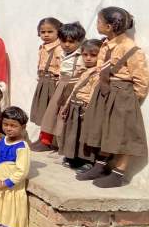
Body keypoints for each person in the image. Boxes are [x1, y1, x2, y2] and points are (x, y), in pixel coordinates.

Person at [78, 7, 148, 188]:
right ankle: (100, 165)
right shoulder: (106, 45)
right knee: (103, 129)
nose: (97, 25)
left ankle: (118, 173)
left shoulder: (131, 49)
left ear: (108, 26)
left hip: (122, 95)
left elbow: (141, 80)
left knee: (123, 134)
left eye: (99, 22)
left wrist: (130, 100)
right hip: (104, 90)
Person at [38, 22, 86, 153]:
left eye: (71, 42)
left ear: (80, 40)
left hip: (72, 87)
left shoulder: (81, 55)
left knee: (66, 119)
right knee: (55, 117)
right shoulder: (63, 53)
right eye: (63, 41)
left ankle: (66, 150)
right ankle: (58, 146)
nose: (67, 45)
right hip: (61, 86)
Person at [58, 39, 101, 169]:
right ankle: (73, 157)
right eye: (85, 55)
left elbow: (94, 93)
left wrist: (88, 109)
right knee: (72, 133)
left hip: (85, 107)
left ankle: (88, 161)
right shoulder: (82, 70)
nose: (88, 58)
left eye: (93, 55)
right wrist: (66, 105)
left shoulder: (98, 73)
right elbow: (75, 89)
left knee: (85, 135)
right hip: (74, 105)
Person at [29, 18, 62, 150]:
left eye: (50, 31)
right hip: (43, 81)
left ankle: (48, 141)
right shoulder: (43, 47)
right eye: (43, 32)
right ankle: (43, 137)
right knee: (42, 111)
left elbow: (61, 67)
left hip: (52, 83)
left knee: (51, 112)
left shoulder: (59, 49)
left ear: (58, 32)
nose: (46, 35)